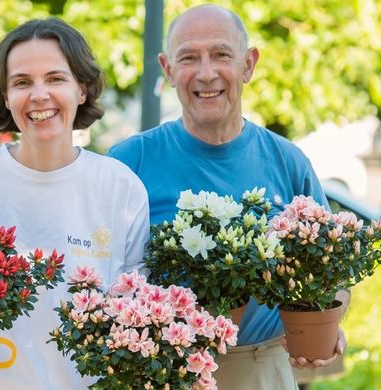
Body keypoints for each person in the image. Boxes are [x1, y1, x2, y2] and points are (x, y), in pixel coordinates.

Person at [108, 4, 348, 389]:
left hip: (260, 369)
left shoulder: (287, 161)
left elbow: (331, 272)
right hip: (160, 372)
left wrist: (330, 325)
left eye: (221, 54)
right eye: (188, 58)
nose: (206, 73)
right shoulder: (129, 161)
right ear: (167, 69)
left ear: (248, 65)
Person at [0, 18, 150, 389]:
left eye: (55, 79)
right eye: (22, 82)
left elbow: (138, 313)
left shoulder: (120, 189)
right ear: (6, 97)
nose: (39, 95)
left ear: (82, 90)